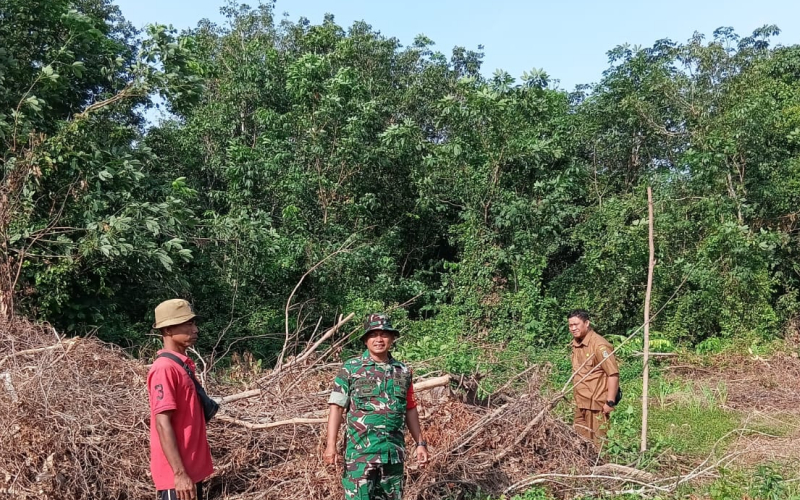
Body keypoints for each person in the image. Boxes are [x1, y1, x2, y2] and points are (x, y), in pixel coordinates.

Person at [323, 313, 429, 500]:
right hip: (361, 456)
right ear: (365, 340)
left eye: (384, 334)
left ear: (392, 338)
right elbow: (336, 408)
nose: (379, 339)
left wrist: (420, 444)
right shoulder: (351, 368)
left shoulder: (403, 371)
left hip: (393, 456)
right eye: (373, 334)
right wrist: (330, 446)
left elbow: (410, 408)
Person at [147, 299, 213, 500]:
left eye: (193, 323)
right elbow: (162, 422)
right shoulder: (164, 369)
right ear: (167, 330)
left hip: (191, 469)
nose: (195, 329)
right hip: (177, 477)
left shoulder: (181, 364)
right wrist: (179, 474)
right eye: (188, 324)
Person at [568, 309, 619, 445]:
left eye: (576, 324)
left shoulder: (599, 345)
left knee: (599, 444)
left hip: (597, 404)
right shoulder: (576, 344)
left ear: (587, 323)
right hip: (580, 402)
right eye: (570, 325)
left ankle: (604, 466)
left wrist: (610, 402)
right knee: (581, 442)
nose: (573, 328)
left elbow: (613, 374)